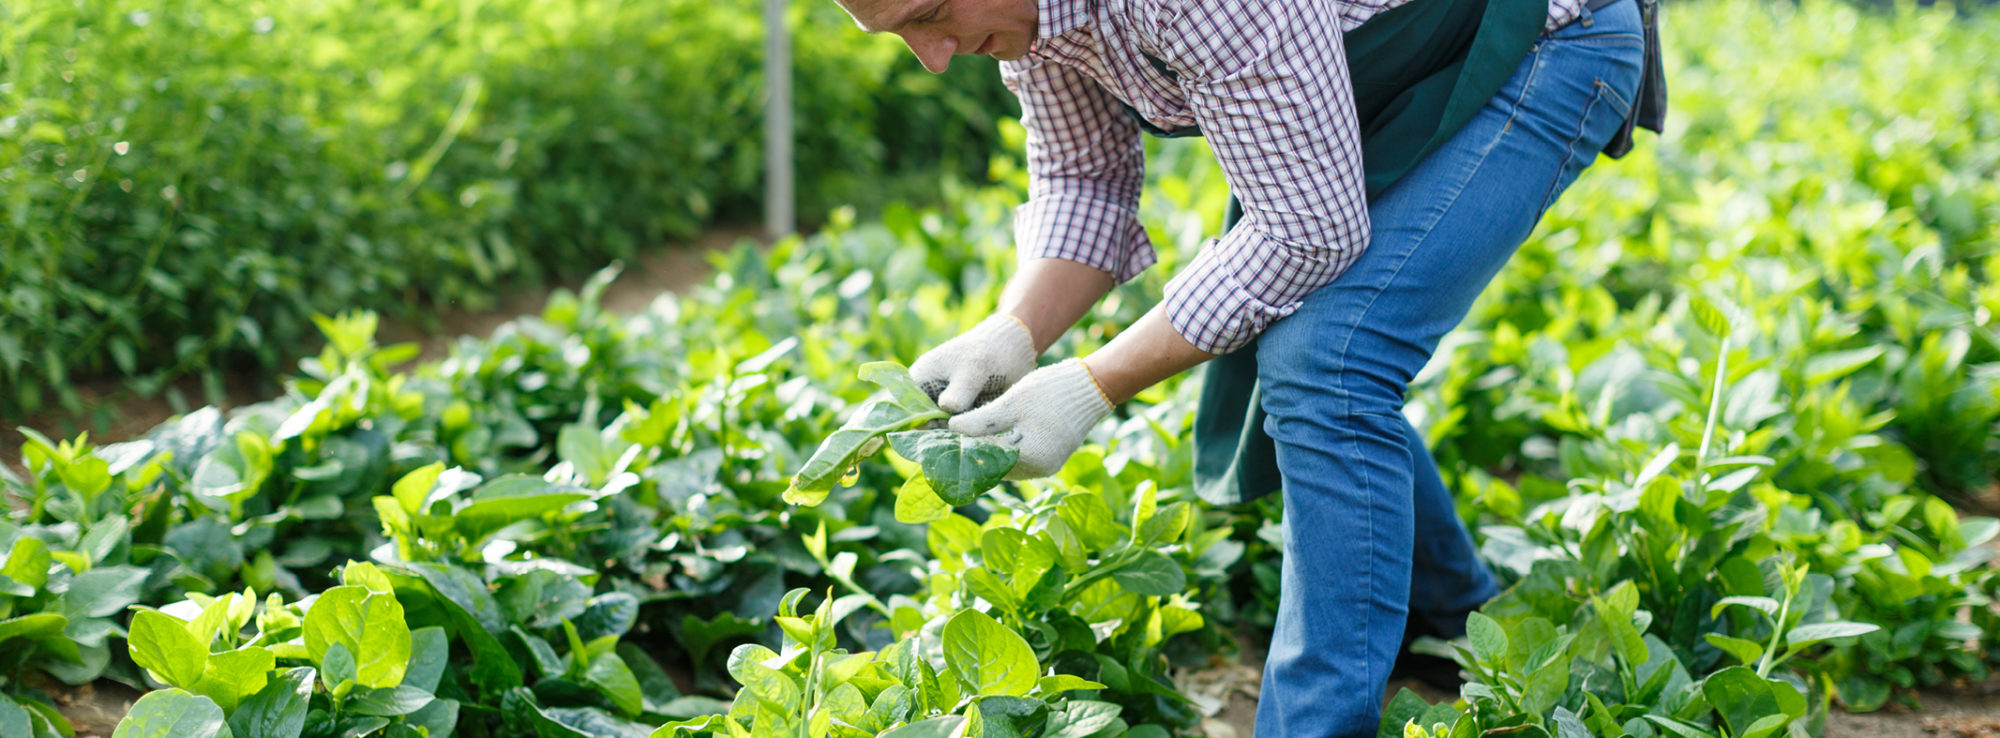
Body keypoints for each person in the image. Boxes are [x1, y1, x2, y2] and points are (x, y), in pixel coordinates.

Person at [834, 0, 1660, 733]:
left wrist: (1094, 386)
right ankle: (1455, 615)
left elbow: (1306, 232)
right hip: (1379, 81)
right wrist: (1010, 335)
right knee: (1300, 338)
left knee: (1329, 354)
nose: (932, 57)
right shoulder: (1032, 27)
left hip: (1543, 39)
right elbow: (1084, 182)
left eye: (929, 15)